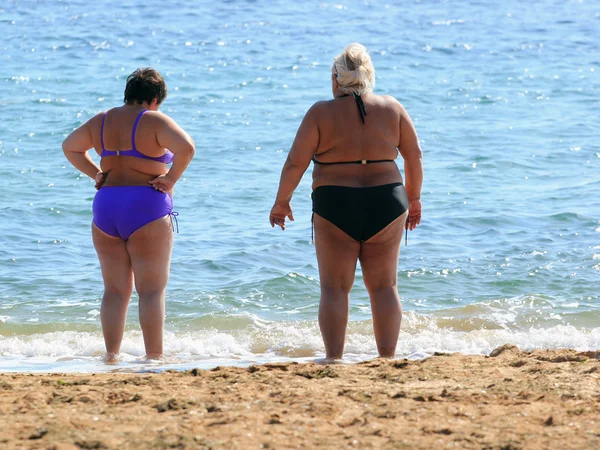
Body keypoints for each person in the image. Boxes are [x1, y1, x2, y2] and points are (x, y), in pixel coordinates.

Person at [269, 44, 423, 359]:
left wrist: (282, 202)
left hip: (335, 201)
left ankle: (334, 358)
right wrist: (415, 198)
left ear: (336, 80)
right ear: (368, 77)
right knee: (384, 287)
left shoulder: (320, 113)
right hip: (388, 200)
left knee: (335, 288)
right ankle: (387, 358)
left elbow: (295, 163)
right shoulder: (391, 107)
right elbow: (414, 155)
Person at [63, 68, 195, 361]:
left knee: (115, 290)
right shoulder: (154, 119)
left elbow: (70, 147)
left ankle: (111, 356)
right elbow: (187, 148)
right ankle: (154, 357)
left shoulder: (101, 120)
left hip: (106, 206)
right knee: (150, 291)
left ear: (128, 94)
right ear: (154, 99)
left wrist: (96, 173)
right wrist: (171, 179)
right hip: (145, 206)